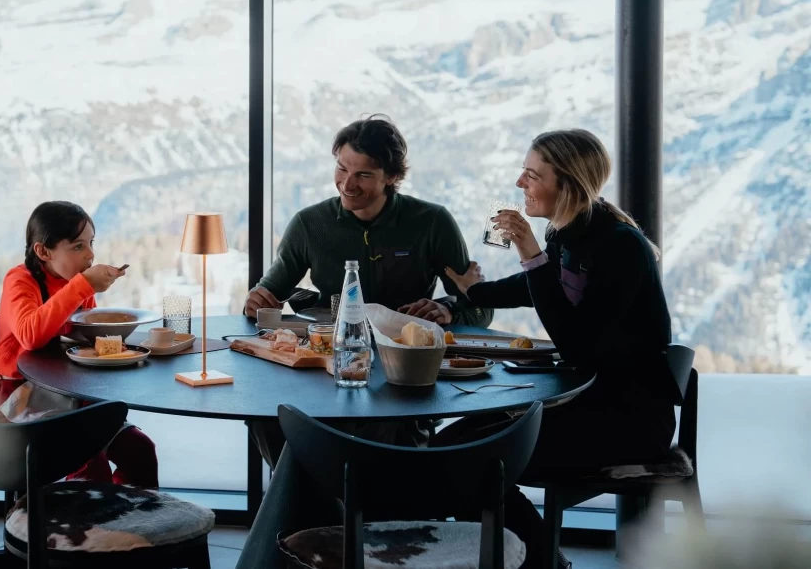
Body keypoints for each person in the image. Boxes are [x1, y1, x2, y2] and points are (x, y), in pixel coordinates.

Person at [435, 129, 680, 569]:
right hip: (583, 401)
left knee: (472, 461)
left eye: (531, 175)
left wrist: (529, 252)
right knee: (445, 448)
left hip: (630, 417)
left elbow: (577, 343)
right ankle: (528, 558)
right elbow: (538, 287)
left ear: (566, 184)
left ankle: (542, 563)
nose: (519, 183)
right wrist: (468, 297)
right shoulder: (566, 233)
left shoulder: (621, 246)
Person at [245, 114, 493, 328]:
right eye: (342, 169)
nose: (347, 184)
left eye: (363, 175)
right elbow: (265, 297)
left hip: (407, 355)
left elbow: (483, 309)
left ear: (392, 176)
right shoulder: (308, 224)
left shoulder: (433, 223)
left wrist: (450, 312)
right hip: (326, 355)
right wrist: (256, 303)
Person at [0, 200, 159, 488]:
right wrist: (82, 286)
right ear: (43, 251)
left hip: (69, 395)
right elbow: (30, 335)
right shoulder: (21, 280)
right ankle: (82, 530)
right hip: (17, 400)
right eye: (78, 246)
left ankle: (128, 522)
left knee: (141, 451)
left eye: (91, 243)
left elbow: (83, 333)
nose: (90, 255)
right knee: (90, 462)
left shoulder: (74, 282)